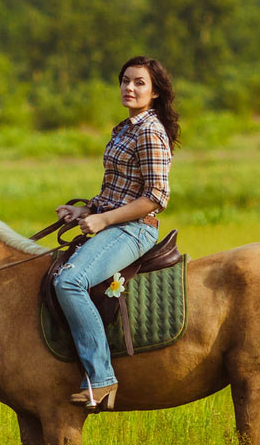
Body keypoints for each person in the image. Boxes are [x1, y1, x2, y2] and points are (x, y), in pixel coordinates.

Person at [52, 55, 180, 411]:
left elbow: (156, 197)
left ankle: (102, 377)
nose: (130, 88)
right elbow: (117, 190)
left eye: (140, 83)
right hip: (113, 221)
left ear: (154, 92)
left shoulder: (151, 132)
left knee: (69, 282)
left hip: (135, 229)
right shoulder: (124, 129)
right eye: (125, 80)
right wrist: (87, 210)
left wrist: (105, 221)